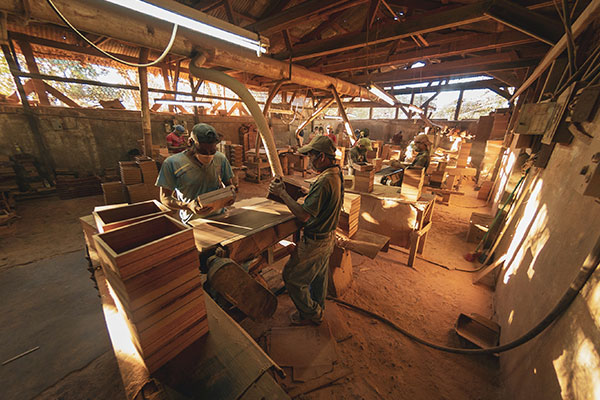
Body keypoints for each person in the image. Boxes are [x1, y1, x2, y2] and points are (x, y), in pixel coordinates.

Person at [268, 136, 343, 326]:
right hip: (328, 237)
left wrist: (282, 193)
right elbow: (325, 199)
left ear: (322, 157)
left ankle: (312, 314)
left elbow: (303, 215)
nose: (309, 160)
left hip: (316, 240)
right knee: (318, 275)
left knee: (292, 278)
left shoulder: (324, 181)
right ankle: (319, 307)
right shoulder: (336, 173)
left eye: (311, 156)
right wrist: (308, 194)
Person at [156, 123, 235, 224]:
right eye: (202, 150)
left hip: (220, 216)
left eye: (212, 151)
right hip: (193, 221)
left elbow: (229, 185)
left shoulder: (220, 159)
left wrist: (231, 194)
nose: (208, 154)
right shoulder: (172, 163)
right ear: (190, 142)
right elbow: (165, 198)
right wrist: (188, 206)